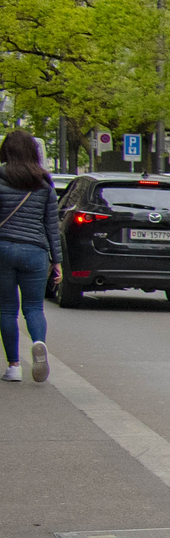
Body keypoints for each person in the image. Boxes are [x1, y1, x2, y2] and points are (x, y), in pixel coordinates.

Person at [0, 130, 60, 384]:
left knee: (6, 308)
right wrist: (57, 261)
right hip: (35, 251)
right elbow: (52, 225)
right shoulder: (44, 183)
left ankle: (14, 366)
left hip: (2, 249)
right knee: (34, 307)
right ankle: (38, 344)